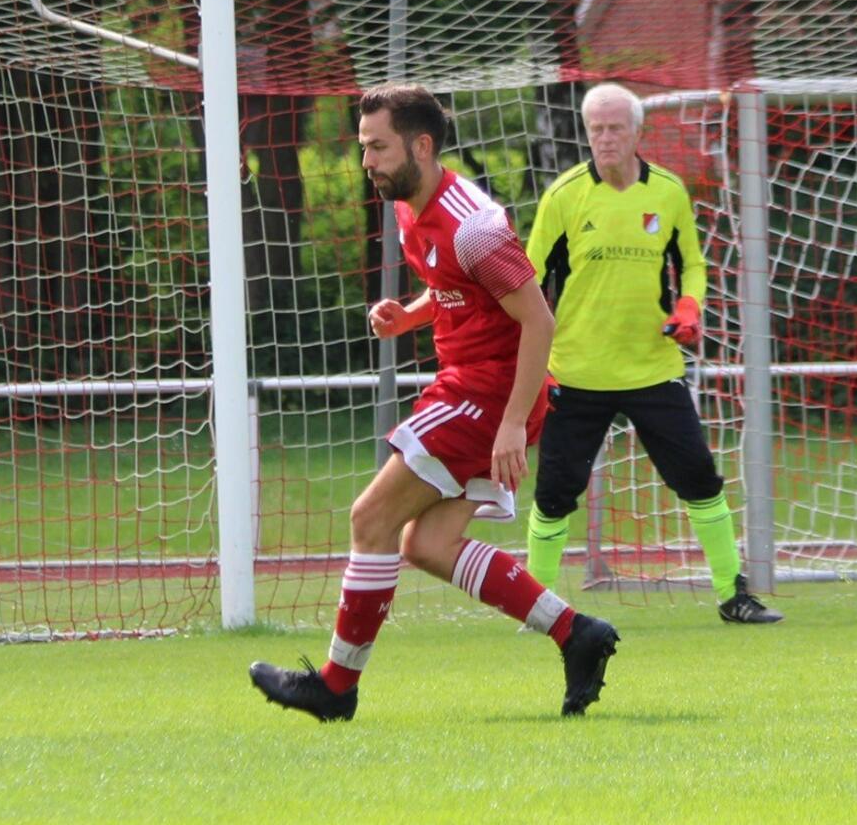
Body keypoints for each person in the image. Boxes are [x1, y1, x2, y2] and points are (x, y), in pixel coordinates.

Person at [249, 83, 620, 721]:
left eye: (378, 147)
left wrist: (508, 426)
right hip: (473, 384)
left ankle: (336, 687)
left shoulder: (475, 228)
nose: (366, 161)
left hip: (491, 390)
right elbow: (456, 289)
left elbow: (539, 322)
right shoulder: (404, 200)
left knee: (371, 519)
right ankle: (577, 633)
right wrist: (410, 316)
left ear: (421, 146)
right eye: (363, 147)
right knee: (428, 545)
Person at [521, 83, 781, 623]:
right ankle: (537, 608)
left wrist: (689, 304)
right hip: (576, 371)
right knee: (553, 494)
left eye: (616, 128)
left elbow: (693, 263)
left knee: (700, 480)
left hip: (654, 369)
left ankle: (734, 596)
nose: (606, 138)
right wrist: (530, 360)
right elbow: (524, 277)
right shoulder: (564, 195)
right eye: (596, 129)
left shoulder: (668, 191)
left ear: (639, 132)